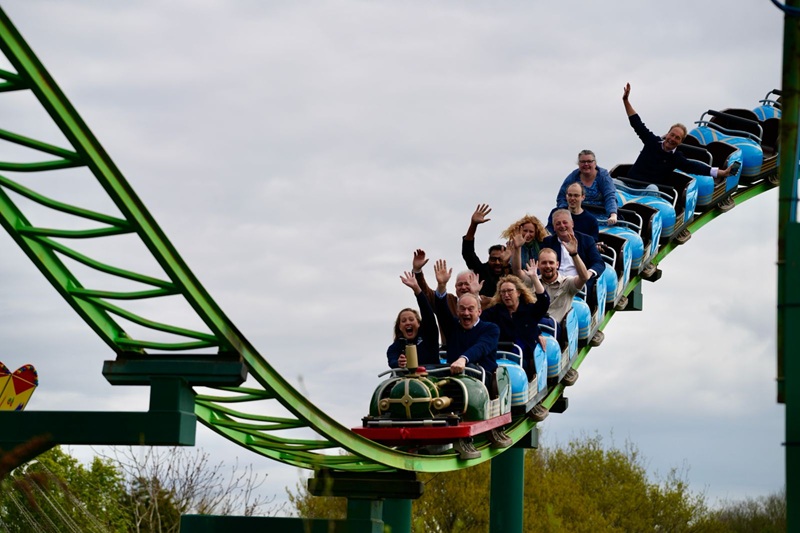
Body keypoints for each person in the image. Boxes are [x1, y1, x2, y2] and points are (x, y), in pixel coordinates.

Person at [433, 258, 512, 449]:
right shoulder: (453, 327)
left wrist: (463, 359)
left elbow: (481, 347)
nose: (466, 313)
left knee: (477, 382)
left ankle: (486, 428)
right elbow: (442, 311)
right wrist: (441, 285)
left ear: (479, 311)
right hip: (455, 377)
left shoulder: (490, 329)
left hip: (480, 378)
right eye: (462, 309)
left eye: (470, 309)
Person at [622, 82, 735, 183]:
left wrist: (722, 173)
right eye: (672, 135)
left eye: (677, 138)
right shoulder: (652, 141)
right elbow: (637, 124)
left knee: (653, 189)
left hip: (649, 191)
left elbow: (695, 167)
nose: (672, 139)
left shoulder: (676, 158)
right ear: (667, 134)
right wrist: (626, 101)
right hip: (630, 183)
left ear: (680, 142)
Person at [482, 275, 550, 382]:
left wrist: (535, 279)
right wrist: (474, 294)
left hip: (524, 357)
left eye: (509, 291)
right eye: (503, 292)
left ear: (518, 293)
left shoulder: (529, 309)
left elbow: (544, 302)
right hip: (501, 354)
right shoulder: (495, 312)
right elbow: (477, 320)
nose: (506, 295)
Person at [543, 209, 605, 313]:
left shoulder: (586, 240)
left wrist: (588, 273)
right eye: (558, 224)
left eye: (565, 222)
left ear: (572, 223)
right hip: (554, 283)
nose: (562, 226)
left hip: (578, 285)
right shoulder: (548, 242)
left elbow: (599, 263)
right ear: (554, 227)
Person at [386, 271, 441, 369]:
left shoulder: (428, 335)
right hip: (407, 380)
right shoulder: (395, 347)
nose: (407, 323)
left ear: (419, 323)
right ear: (399, 327)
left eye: (411, 319)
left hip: (431, 376)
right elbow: (392, 360)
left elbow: (427, 312)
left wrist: (417, 290)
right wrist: (398, 363)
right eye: (403, 321)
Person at [462, 204, 512, 298]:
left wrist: (506, 264)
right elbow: (468, 252)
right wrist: (473, 224)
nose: (497, 262)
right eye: (493, 259)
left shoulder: (511, 271)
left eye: (500, 259)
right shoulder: (481, 271)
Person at [556, 150, 618, 225]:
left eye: (589, 161)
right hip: (578, 214)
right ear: (578, 164)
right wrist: (564, 212)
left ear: (595, 163)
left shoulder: (603, 176)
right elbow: (561, 197)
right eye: (583, 162)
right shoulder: (573, 177)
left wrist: (613, 214)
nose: (586, 164)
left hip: (601, 215)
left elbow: (610, 196)